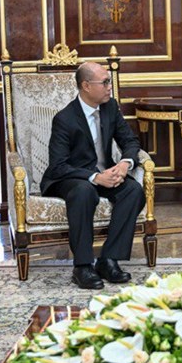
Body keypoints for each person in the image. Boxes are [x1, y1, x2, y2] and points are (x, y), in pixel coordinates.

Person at [41, 61, 145, 290]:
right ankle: (82, 266)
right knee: (84, 191)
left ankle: (108, 260)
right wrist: (95, 177)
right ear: (86, 86)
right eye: (105, 82)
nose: (110, 87)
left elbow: (130, 141)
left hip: (104, 173)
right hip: (70, 177)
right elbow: (58, 166)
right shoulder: (65, 119)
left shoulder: (110, 107)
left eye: (109, 82)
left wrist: (125, 164)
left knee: (133, 190)